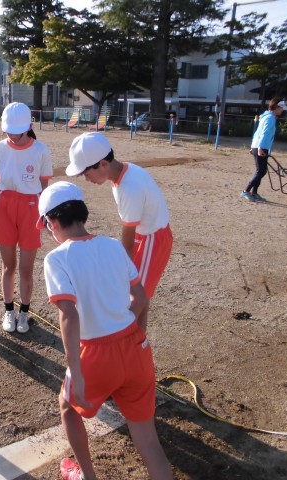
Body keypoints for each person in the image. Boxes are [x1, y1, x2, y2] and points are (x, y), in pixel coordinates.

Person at [37, 181, 173, 480]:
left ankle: (87, 475)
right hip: (135, 346)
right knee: (148, 439)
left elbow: (69, 316)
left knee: (68, 407)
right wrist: (121, 321)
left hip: (96, 353)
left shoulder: (57, 258)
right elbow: (140, 296)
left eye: (46, 224)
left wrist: (77, 370)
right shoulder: (112, 245)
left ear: (52, 221)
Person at [66, 132, 172, 334]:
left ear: (103, 164)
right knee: (137, 291)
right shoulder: (124, 174)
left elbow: (128, 241)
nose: (85, 179)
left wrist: (121, 270)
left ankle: (134, 341)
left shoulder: (129, 188)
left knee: (137, 294)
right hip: (146, 236)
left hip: (152, 239)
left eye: (86, 173)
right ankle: (137, 339)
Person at [0, 102, 53, 334]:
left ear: (29, 126)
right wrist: (5, 201)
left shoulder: (41, 150)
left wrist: (44, 215)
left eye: (19, 131)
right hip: (5, 206)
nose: (14, 136)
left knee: (26, 268)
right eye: (9, 131)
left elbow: (44, 187)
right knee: (9, 266)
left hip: (30, 207)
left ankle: (24, 312)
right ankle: (8, 310)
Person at [241, 97, 287, 202]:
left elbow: (257, 132)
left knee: (261, 171)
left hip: (259, 146)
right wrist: (259, 148)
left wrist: (253, 146)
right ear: (276, 107)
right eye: (281, 108)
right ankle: (246, 191)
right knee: (261, 171)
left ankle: (254, 193)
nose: (282, 110)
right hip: (261, 147)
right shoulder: (270, 118)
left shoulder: (266, 117)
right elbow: (263, 133)